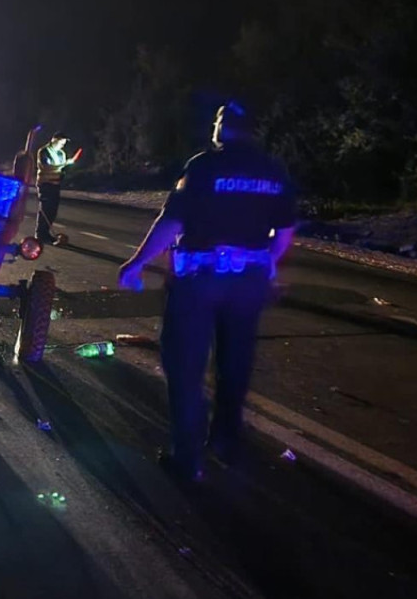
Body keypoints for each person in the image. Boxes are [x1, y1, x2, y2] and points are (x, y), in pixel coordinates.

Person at [117, 101, 297, 482]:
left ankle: (188, 458)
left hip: (201, 279)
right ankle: (226, 444)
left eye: (217, 122)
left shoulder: (204, 166)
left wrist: (136, 263)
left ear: (224, 129)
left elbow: (173, 221)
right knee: (235, 365)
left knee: (185, 366)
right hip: (248, 283)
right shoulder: (273, 171)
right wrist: (264, 268)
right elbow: (283, 235)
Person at [35, 131, 74, 244]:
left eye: (64, 142)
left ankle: (46, 233)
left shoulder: (62, 153)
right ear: (54, 140)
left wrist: (65, 169)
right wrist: (64, 165)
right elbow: (45, 167)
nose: (63, 144)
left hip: (55, 184)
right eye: (61, 141)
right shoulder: (43, 151)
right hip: (45, 184)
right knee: (45, 209)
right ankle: (40, 234)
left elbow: (61, 170)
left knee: (52, 211)